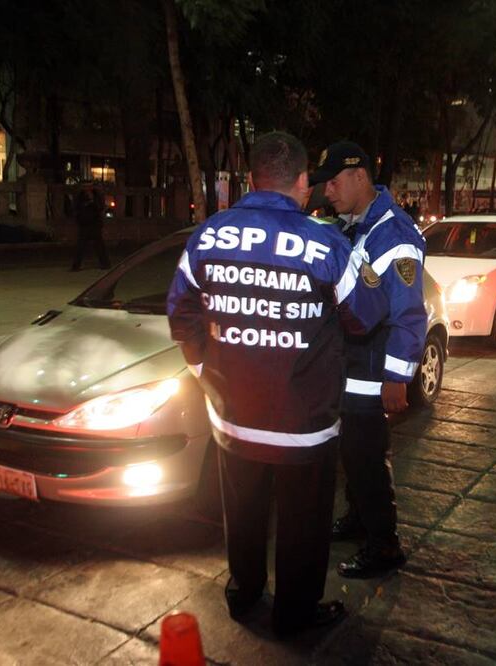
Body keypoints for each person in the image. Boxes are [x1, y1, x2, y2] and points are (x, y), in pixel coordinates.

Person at [166, 131, 386, 637]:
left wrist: (203, 372)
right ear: (304, 182)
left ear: (250, 179)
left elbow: (180, 314)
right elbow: (367, 314)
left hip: (234, 417)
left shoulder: (208, 236)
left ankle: (243, 594)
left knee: (242, 513)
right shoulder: (326, 243)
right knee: (303, 524)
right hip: (303, 424)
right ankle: (295, 614)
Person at [310, 141, 427, 579]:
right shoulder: (353, 225)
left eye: (334, 182)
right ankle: (359, 518)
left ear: (360, 176)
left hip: (373, 371)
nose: (327, 192)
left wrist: (397, 376)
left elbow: (408, 312)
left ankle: (384, 546)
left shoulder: (393, 233)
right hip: (349, 365)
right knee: (353, 454)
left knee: (367, 458)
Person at [71, 187, 110, 271]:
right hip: (84, 224)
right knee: (81, 246)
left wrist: (93, 203)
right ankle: (76, 265)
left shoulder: (96, 195)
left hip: (94, 224)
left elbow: (100, 207)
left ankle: (105, 264)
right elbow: (76, 208)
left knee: (99, 245)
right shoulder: (80, 196)